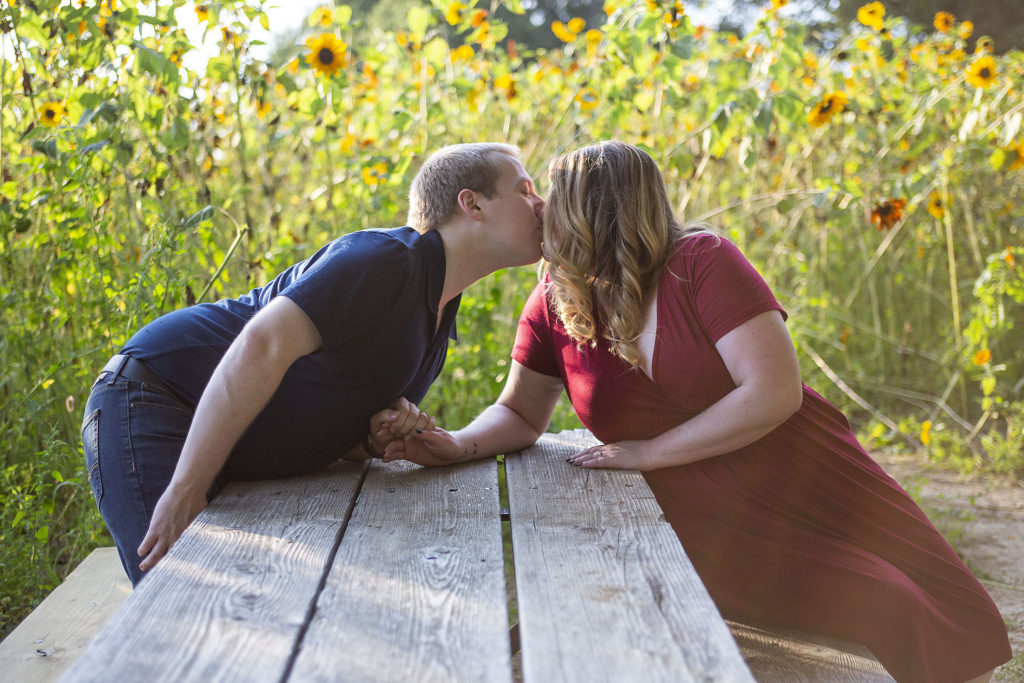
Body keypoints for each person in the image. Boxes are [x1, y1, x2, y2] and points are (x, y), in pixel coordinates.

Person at [383, 141, 1012, 683]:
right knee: (884, 600)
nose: (541, 209)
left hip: (804, 470)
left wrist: (650, 452)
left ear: (599, 209)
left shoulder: (702, 262)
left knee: (949, 617)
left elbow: (772, 392)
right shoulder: (554, 298)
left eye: (550, 194)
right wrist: (458, 444)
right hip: (703, 509)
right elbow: (521, 414)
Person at [81, 142, 546, 586]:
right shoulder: (385, 260)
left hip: (230, 443)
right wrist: (186, 489)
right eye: (525, 189)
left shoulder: (440, 311)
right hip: (153, 399)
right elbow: (261, 345)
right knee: (180, 595)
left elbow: (327, 411)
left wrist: (374, 436)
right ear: (473, 204)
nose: (541, 203)